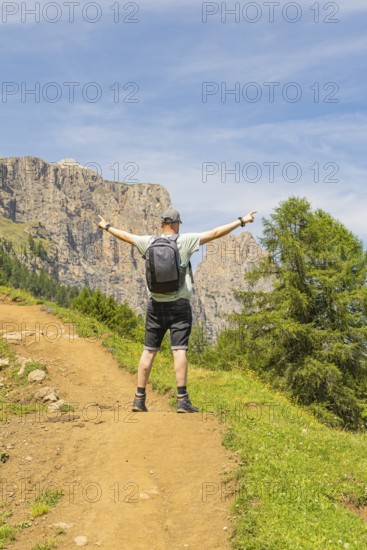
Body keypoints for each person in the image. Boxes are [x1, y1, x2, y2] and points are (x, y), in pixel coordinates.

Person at [98, 207, 257, 413]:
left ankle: (139, 399)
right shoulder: (185, 241)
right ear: (176, 224)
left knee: (148, 351)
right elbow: (216, 233)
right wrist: (241, 221)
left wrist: (107, 226)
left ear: (162, 224)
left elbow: (126, 236)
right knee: (179, 350)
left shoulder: (148, 242)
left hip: (155, 306)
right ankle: (182, 400)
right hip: (179, 306)